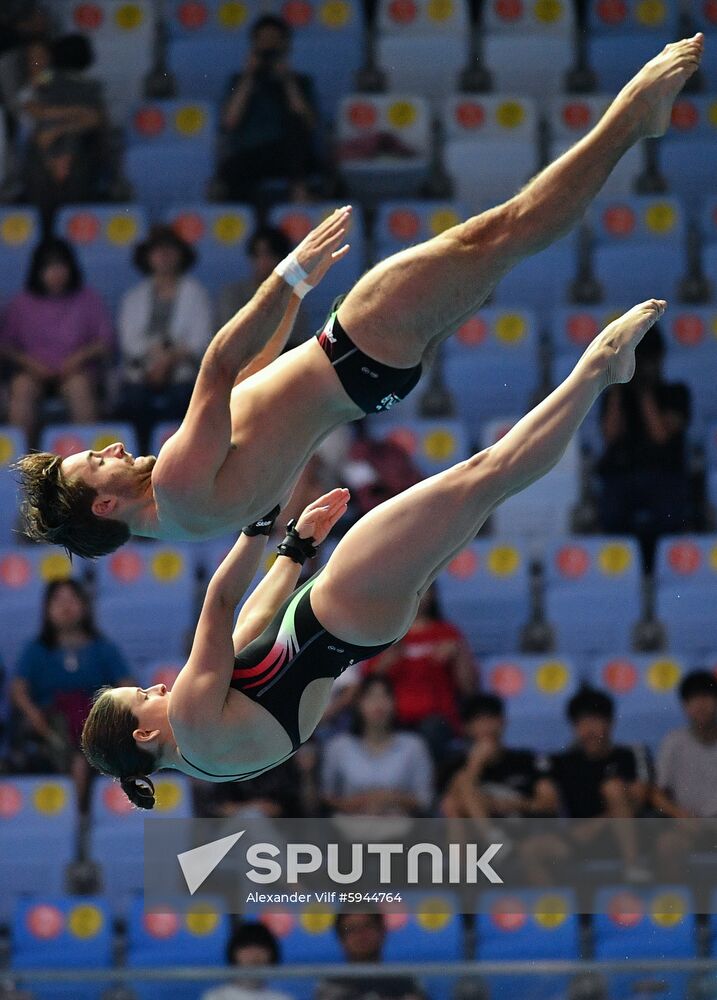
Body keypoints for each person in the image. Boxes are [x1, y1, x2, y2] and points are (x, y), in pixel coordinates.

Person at [17, 37, 704, 559]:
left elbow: (254, 381)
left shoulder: (187, 517)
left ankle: (630, 125)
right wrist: (288, 276)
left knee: (505, 242)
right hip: (357, 346)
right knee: (508, 229)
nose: (108, 445)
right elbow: (220, 366)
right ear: (105, 505)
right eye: (95, 461)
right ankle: (633, 118)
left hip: (368, 377)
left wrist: (291, 302)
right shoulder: (173, 485)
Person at [78, 297, 667, 807]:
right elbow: (220, 601)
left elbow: (250, 626)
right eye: (143, 697)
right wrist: (258, 517)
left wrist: (295, 546)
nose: (157, 688)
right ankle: (598, 367)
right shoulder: (188, 719)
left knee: (488, 487)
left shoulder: (212, 754)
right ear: (142, 736)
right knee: (486, 473)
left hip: (360, 627)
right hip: (340, 601)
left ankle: (598, 373)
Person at [9, 579, 132, 811]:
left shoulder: (103, 648)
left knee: (85, 748)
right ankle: (77, 816)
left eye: (72, 599)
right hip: (48, 726)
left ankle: (81, 817)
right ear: (47, 609)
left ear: (84, 606)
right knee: (71, 749)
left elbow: (127, 685)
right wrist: (34, 715)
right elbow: (17, 690)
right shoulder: (35, 650)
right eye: (58, 601)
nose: (66, 606)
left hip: (95, 722)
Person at [596, 324, 691, 571]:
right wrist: (617, 384)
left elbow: (659, 435)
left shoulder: (676, 393)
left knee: (669, 512)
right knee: (611, 511)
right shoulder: (615, 395)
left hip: (664, 476)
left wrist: (644, 391)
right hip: (623, 477)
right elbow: (610, 434)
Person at [0, 237, 113, 443]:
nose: (56, 273)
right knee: (21, 388)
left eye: (61, 266)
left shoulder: (88, 299)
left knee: (80, 388)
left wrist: (78, 358)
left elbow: (105, 342)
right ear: (38, 271)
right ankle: (22, 467)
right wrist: (30, 363)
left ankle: (89, 466)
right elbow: (6, 346)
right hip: (33, 372)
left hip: (76, 372)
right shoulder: (20, 303)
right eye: (49, 267)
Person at [117, 225, 213, 450]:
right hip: (143, 371)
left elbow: (202, 339)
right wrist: (157, 358)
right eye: (158, 251)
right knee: (133, 401)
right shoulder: (134, 296)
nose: (164, 257)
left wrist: (170, 359)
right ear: (147, 257)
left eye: (170, 250)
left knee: (184, 398)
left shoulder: (196, 293)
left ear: (181, 255)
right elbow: (129, 342)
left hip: (184, 370)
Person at [360, 584, 475, 756]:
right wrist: (388, 659)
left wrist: (459, 655)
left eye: (423, 589)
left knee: (433, 730)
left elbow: (470, 689)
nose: (417, 595)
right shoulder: (384, 634)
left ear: (433, 594)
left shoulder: (448, 633)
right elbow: (366, 686)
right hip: (393, 721)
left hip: (437, 721)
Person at [219, 14, 318, 205]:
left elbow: (308, 123)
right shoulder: (238, 82)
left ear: (285, 45)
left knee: (295, 131)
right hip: (250, 153)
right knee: (230, 170)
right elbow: (229, 122)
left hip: (290, 154)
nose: (268, 47)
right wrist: (249, 77)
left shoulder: (300, 82)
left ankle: (299, 197)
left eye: (274, 41)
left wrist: (287, 81)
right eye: (263, 41)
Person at [20, 33, 108, 223]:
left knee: (74, 142)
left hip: (71, 156)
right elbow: (35, 109)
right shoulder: (45, 80)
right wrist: (72, 113)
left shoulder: (88, 86)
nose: (37, 62)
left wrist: (58, 131)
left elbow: (94, 119)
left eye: (42, 57)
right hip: (42, 155)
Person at [320, 674, 434, 817]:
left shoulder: (414, 746)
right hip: (348, 829)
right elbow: (325, 797)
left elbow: (425, 799)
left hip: (401, 830)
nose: (378, 703)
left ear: (394, 702)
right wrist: (359, 802)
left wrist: (390, 798)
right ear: (358, 704)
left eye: (384, 696)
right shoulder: (338, 747)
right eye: (371, 696)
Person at [440, 694, 557, 822]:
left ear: (503, 721)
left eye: (491, 718)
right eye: (479, 721)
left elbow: (549, 803)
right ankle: (492, 837)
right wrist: (475, 764)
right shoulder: (454, 765)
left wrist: (516, 804)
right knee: (455, 794)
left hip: (526, 828)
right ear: (467, 728)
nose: (486, 726)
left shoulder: (527, 759)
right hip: (476, 833)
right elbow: (451, 805)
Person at [651, 670, 717, 879]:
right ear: (684, 706)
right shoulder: (674, 742)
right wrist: (680, 815)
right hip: (688, 824)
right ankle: (675, 907)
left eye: (706, 698)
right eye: (692, 700)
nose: (700, 705)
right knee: (667, 845)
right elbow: (656, 794)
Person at [217, 226, 309, 349]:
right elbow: (228, 337)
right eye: (257, 254)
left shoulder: (292, 297)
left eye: (269, 254)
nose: (263, 261)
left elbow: (296, 340)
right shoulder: (233, 294)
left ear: (282, 259)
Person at [315, 912, 424, 1000]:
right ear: (341, 939)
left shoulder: (405, 985)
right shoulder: (331, 988)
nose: (360, 935)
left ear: (382, 932)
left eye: (367, 926)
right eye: (351, 929)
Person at [200, 921, 292, 1000]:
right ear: (234, 953)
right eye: (247, 947)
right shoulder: (216, 997)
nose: (255, 955)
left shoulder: (282, 998)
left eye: (261, 948)